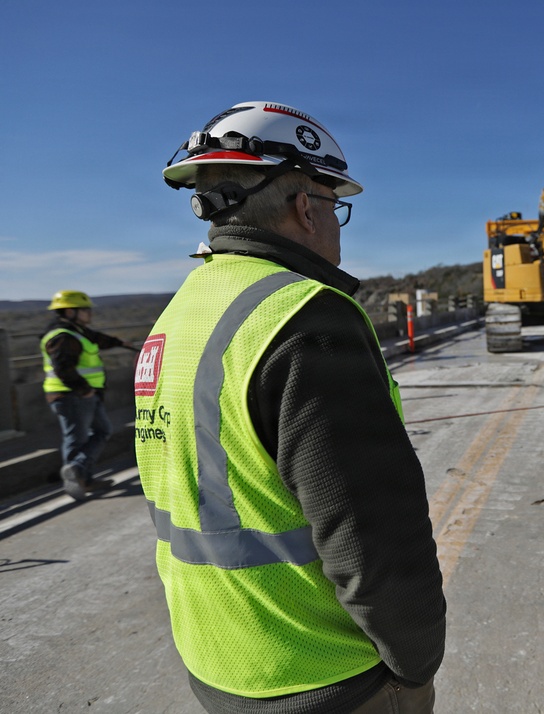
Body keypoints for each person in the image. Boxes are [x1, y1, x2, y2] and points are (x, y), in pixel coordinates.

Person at [134, 101, 446, 713]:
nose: (336, 225)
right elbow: (371, 532)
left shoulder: (178, 317)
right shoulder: (305, 317)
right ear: (307, 207)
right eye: (336, 207)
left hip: (219, 662)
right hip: (326, 673)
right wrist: (415, 663)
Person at [40, 290, 129, 500]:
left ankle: (82, 476)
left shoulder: (76, 331)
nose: (89, 313)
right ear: (71, 311)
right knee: (77, 439)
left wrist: (118, 342)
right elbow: (63, 368)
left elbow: (96, 338)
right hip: (72, 396)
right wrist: (84, 390)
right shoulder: (63, 337)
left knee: (101, 431)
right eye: (85, 310)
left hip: (82, 395)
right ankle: (78, 473)